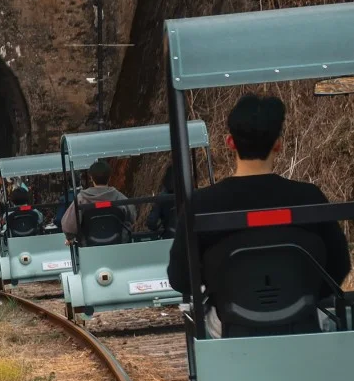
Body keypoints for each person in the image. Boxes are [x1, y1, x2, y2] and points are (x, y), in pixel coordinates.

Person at [167, 94, 351, 335]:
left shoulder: (200, 203)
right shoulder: (309, 197)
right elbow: (339, 266)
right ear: (278, 144)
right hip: (304, 320)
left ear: (230, 142)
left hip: (231, 325)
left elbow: (180, 279)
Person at [60, 160, 136, 239]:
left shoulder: (81, 199)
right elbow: (132, 217)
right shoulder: (120, 197)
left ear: (91, 178)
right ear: (109, 177)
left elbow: (68, 227)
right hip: (118, 245)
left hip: (89, 248)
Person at [147, 164, 177, 238]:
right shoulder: (191, 195)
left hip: (170, 240)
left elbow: (151, 223)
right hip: (191, 238)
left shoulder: (162, 198)